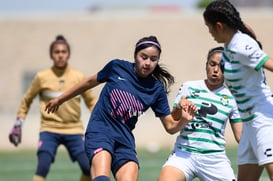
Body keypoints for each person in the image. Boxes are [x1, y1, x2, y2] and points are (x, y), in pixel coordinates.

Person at [44, 35, 197, 181]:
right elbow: (88, 82)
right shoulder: (117, 67)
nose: (148, 63)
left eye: (153, 59)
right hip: (100, 132)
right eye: (143, 57)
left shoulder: (156, 89)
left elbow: (170, 126)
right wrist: (60, 99)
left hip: (124, 140)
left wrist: (183, 120)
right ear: (135, 55)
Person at [9, 35, 97, 181]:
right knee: (42, 166)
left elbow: (92, 102)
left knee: (89, 167)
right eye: (57, 52)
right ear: (51, 54)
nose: (60, 55)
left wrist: (101, 123)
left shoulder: (78, 76)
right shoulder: (41, 77)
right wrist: (18, 124)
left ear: (68, 54)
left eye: (63, 52)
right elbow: (26, 100)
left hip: (74, 129)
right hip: (49, 129)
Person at [203, 0, 273, 180]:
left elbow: (270, 64)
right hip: (249, 124)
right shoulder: (228, 48)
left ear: (219, 26)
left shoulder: (242, 45)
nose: (209, 32)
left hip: (264, 120)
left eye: (209, 27)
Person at [158, 47, 242, 181]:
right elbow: (173, 121)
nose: (215, 70)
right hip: (184, 154)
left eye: (221, 66)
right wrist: (180, 106)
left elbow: (240, 136)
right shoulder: (189, 87)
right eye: (212, 64)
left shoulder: (233, 97)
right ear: (206, 65)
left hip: (215, 159)